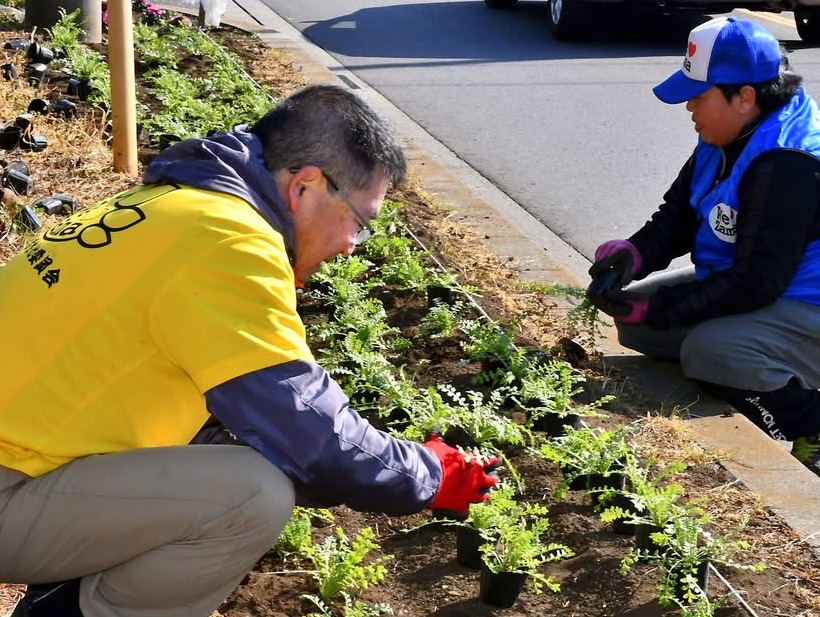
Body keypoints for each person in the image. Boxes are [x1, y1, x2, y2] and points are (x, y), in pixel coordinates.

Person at [0, 84, 498, 617]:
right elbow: (314, 434)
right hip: (11, 486)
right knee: (250, 498)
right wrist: (429, 475)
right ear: (305, 186)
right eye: (360, 221)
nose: (353, 245)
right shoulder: (232, 243)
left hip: (22, 459)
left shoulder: (174, 203)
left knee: (229, 461)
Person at [587, 16, 820, 476]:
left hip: (804, 302)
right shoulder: (728, 131)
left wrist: (663, 308)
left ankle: (811, 422)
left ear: (744, 97)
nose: (689, 106)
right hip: (760, 284)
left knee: (709, 353)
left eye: (699, 95)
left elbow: (755, 283)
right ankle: (753, 364)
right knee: (636, 328)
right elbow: (677, 217)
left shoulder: (788, 163)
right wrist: (632, 255)